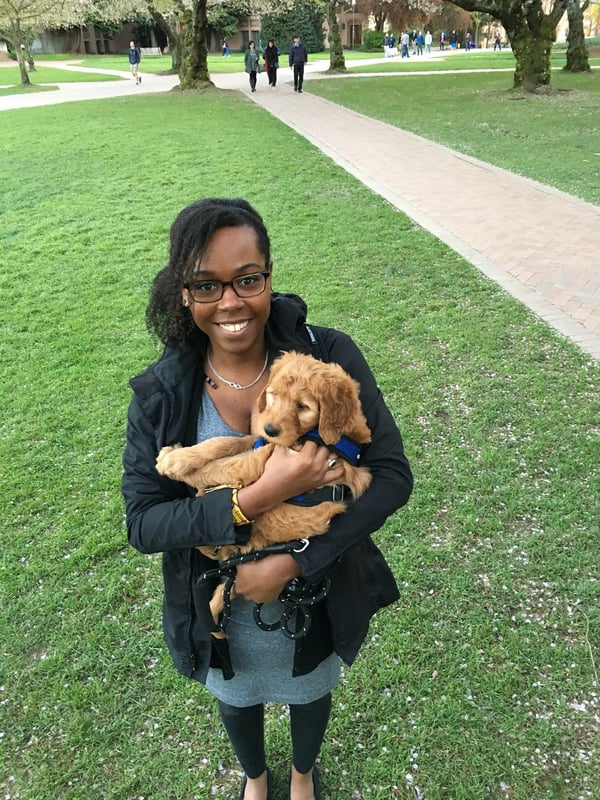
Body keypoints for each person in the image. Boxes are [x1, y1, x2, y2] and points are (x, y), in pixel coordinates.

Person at [122, 198, 413, 800]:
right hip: (218, 610)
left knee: (310, 693)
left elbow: (390, 476)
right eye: (207, 285)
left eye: (246, 279)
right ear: (183, 293)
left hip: (319, 592)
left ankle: (302, 775)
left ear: (268, 278)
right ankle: (257, 778)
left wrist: (297, 559)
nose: (230, 302)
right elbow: (144, 523)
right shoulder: (161, 392)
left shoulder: (328, 356)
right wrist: (255, 498)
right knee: (236, 698)